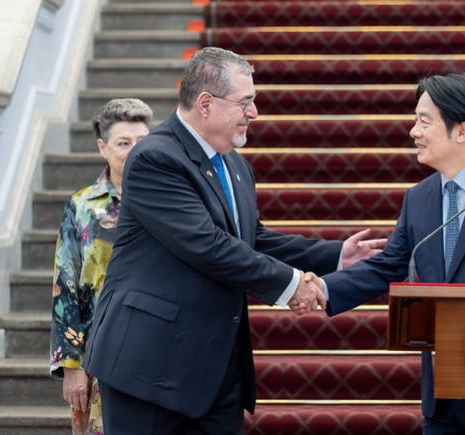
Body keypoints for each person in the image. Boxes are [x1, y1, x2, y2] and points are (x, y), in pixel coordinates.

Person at [82, 47, 384, 433]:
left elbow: (249, 239)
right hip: (149, 368)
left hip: (214, 369)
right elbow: (207, 245)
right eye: (246, 102)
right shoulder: (155, 157)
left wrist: (334, 255)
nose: (254, 113)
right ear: (206, 103)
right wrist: (292, 285)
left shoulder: (235, 165)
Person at [309, 72, 465, 434]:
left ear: (461, 131)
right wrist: (322, 289)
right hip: (442, 397)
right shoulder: (419, 198)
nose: (413, 131)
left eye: (424, 121)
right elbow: (387, 266)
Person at [49, 98, 154, 435]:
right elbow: (65, 286)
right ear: (102, 147)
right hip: (99, 352)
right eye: (124, 143)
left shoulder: (170, 198)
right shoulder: (82, 206)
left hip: (158, 348)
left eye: (143, 142)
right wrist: (72, 366)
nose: (135, 151)